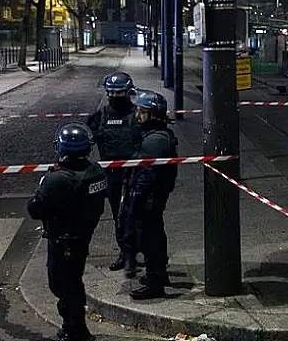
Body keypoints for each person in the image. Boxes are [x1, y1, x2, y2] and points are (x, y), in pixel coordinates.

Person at [27, 123, 107, 341]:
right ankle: (75, 327)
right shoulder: (96, 171)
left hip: (64, 240)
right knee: (73, 280)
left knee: (62, 284)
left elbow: (34, 209)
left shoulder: (59, 179)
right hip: (83, 235)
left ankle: (75, 330)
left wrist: (43, 188)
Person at [86, 72, 141, 276]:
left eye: (119, 93)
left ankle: (140, 251)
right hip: (112, 174)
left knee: (137, 214)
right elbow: (88, 139)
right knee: (118, 214)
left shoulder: (137, 114)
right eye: (112, 93)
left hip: (135, 172)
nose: (115, 97)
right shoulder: (100, 116)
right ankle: (126, 252)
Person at [127, 89, 178, 300]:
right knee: (155, 233)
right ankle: (159, 274)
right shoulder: (156, 135)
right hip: (154, 195)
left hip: (150, 197)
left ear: (154, 115)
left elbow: (146, 176)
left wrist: (134, 202)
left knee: (149, 238)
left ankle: (155, 282)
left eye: (142, 112)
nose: (137, 116)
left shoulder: (155, 141)